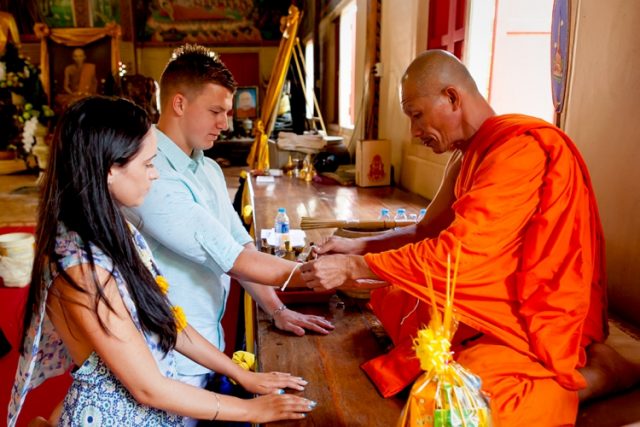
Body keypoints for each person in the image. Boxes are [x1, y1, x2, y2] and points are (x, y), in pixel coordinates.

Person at [300, 49, 640, 426]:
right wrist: (357, 246)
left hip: (531, 311)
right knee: (399, 298)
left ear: (452, 97)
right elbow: (426, 230)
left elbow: (459, 255)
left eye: (416, 115)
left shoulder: (520, 151)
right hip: (487, 294)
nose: (414, 133)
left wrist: (352, 267)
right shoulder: (467, 155)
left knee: (459, 403)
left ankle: (597, 376)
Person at [8, 96, 314, 427]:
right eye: (147, 164)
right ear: (111, 170)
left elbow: (164, 318)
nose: (154, 175)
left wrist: (240, 373)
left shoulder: (110, 226)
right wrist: (252, 410)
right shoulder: (82, 268)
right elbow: (147, 388)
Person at [123, 44, 334, 424]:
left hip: (207, 346)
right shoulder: (149, 173)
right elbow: (231, 256)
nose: (225, 122)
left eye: (228, 112)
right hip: (168, 358)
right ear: (179, 104)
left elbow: (240, 243)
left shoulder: (209, 170)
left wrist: (276, 307)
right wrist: (317, 273)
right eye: (216, 111)